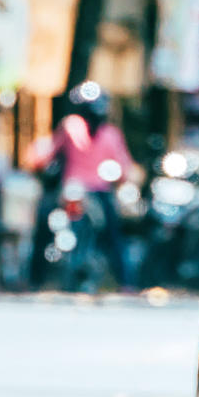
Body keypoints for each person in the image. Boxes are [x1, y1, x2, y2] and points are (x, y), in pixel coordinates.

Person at [28, 81, 133, 288]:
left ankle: (34, 279)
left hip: (72, 189)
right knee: (114, 238)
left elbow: (47, 156)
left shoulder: (71, 126)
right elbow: (124, 169)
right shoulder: (108, 133)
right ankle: (126, 282)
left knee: (43, 229)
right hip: (91, 192)